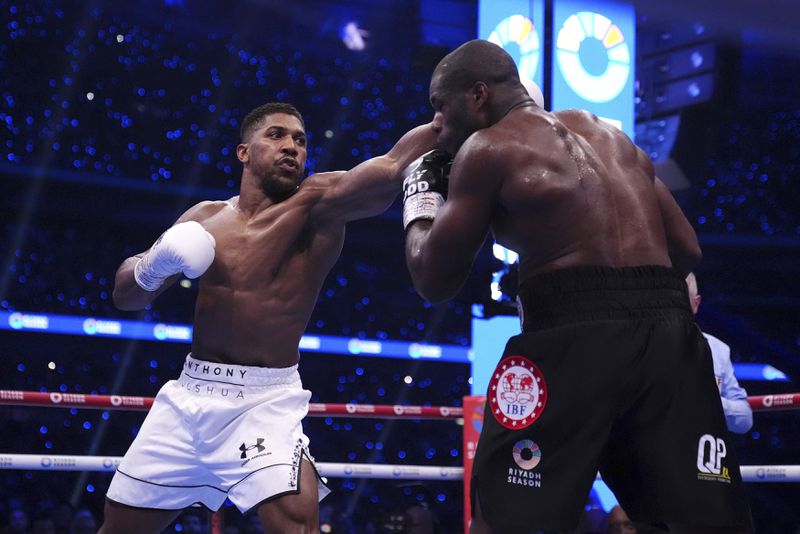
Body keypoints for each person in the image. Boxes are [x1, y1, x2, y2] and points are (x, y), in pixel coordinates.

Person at [402, 40, 753, 533]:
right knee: (696, 517)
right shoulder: (611, 137)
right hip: (671, 336)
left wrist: (420, 196)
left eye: (440, 106)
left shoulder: (488, 148)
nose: (437, 123)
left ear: (478, 95)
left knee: (505, 515)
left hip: (570, 334)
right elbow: (687, 252)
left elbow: (432, 280)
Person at [102, 101, 436, 534]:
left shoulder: (317, 204)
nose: (292, 147)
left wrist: (456, 117)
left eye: (300, 140)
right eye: (277, 135)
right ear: (244, 152)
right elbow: (125, 297)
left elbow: (392, 167)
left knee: (297, 522)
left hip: (264, 399)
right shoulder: (203, 218)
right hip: (189, 394)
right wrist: (155, 263)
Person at [686, 273, 753, 434]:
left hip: (703, 452)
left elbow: (744, 418)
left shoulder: (718, 350)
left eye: (681, 300)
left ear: (695, 304)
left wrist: (708, 400)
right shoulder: (643, 345)